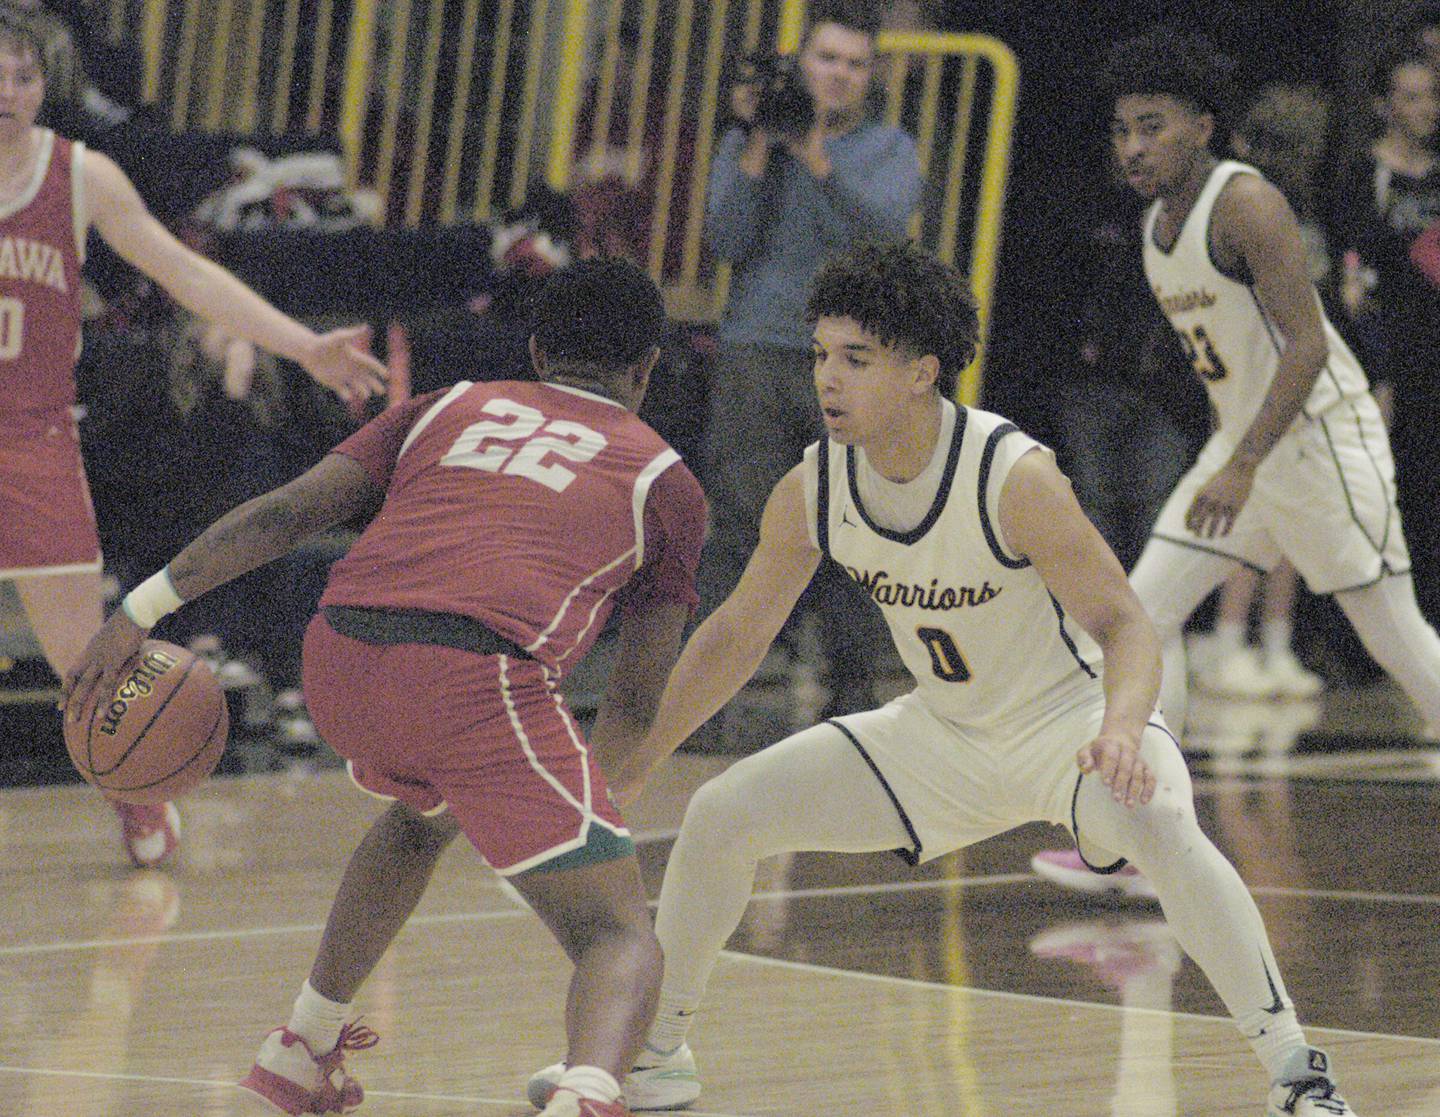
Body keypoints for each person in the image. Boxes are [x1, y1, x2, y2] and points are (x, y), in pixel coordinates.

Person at [526, 239, 1364, 1117]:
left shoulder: (1012, 475)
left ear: (923, 370)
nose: (827, 379)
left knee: (1160, 818)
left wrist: (1120, 728)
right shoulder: (814, 486)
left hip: (1068, 726)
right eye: (821, 355)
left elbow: (1127, 624)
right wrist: (641, 755)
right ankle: (658, 1057)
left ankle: (1297, 1070)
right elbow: (736, 634)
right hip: (940, 737)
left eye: (855, 359)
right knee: (722, 814)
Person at [64, 257, 707, 1117]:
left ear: (536, 347)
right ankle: (587, 1097)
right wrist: (593, 811)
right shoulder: (667, 482)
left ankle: (302, 1045)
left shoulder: (449, 403)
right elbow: (634, 698)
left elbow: (287, 511)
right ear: (648, 368)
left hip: (338, 652)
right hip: (474, 676)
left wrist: (138, 611)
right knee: (617, 930)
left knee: (419, 817)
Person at [1033, 30, 1440, 905]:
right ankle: (1149, 840)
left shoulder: (1247, 203)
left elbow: (1304, 347)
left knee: (1400, 643)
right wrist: (1236, 454)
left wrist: (1243, 462)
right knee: (1142, 618)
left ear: (1203, 125)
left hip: (1318, 443)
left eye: (1153, 126)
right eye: (1122, 129)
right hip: (1245, 448)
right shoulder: (1153, 224)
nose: (1133, 146)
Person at [0, 13, 385, 867]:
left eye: (23, 77)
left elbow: (185, 272)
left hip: (32, 442)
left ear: (46, 84)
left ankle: (134, 794)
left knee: (83, 664)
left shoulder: (79, 176)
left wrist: (302, 344)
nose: (7, 93)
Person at [700, 0, 922, 728]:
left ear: (871, 77)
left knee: (855, 524)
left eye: (855, 64)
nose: (839, 75)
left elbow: (885, 232)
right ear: (801, 63)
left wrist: (815, 157)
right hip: (758, 347)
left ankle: (853, 691)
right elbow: (723, 237)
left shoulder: (888, 147)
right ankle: (711, 697)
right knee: (738, 522)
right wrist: (762, 143)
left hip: (854, 361)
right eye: (826, 59)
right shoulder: (750, 140)